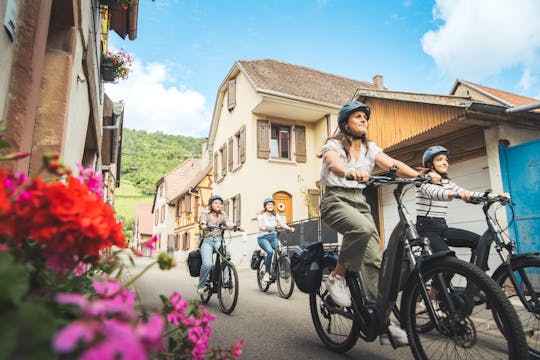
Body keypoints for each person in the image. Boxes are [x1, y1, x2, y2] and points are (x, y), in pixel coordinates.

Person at [319, 100, 440, 346]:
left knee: (375, 261)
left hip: (359, 201)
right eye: (358, 117)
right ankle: (337, 277)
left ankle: (381, 321)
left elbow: (391, 163)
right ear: (345, 123)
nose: (364, 120)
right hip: (335, 199)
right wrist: (349, 172)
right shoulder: (333, 144)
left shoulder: (369, 148)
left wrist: (420, 177)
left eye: (365, 117)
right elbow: (333, 163)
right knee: (361, 230)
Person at [416, 145, 510, 259]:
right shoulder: (422, 180)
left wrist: (495, 196)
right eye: (439, 159)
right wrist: (453, 194)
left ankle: (475, 275)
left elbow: (467, 193)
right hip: (426, 228)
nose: (445, 162)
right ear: (430, 164)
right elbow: (435, 193)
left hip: (442, 226)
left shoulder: (447, 182)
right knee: (450, 261)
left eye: (446, 160)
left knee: (479, 242)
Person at [197, 194, 236, 295]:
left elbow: (227, 222)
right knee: (208, 264)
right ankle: (201, 286)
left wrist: (234, 226)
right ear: (211, 204)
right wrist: (204, 226)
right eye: (216, 203)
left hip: (219, 240)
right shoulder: (205, 213)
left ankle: (225, 279)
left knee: (226, 255)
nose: (218, 205)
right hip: (207, 241)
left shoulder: (223, 214)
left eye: (220, 203)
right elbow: (202, 222)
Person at [257, 198, 295, 282]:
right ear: (265, 206)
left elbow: (282, 223)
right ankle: (267, 273)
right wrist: (263, 228)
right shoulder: (261, 216)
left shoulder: (275, 215)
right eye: (268, 204)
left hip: (273, 237)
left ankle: (281, 271)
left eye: (272, 204)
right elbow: (260, 226)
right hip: (263, 238)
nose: (270, 206)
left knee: (283, 251)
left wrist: (289, 228)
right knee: (270, 252)